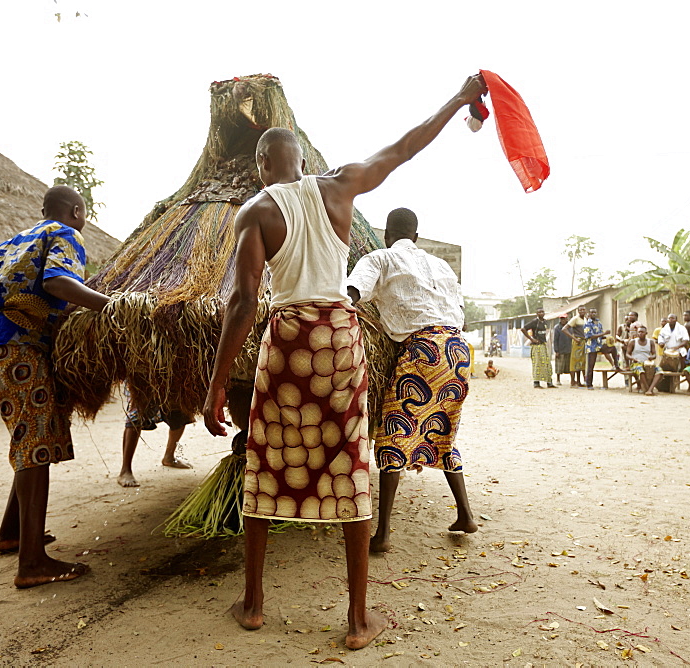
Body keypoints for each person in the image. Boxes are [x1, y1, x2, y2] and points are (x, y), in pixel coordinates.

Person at [202, 74, 488, 647]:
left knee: (265, 459)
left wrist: (213, 390)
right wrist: (457, 100)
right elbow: (406, 147)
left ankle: (254, 602)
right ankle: (358, 618)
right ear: (303, 159)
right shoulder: (339, 188)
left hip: (286, 339)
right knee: (352, 462)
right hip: (337, 336)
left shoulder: (255, 212)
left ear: (261, 165)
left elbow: (242, 303)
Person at [0, 185, 110, 588]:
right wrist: (112, 306)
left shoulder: (8, 244)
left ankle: (11, 533)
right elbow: (58, 284)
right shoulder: (66, 234)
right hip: (17, 347)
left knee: (29, 436)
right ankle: (31, 563)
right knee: (35, 442)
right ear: (77, 211)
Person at [347, 206, 477, 552]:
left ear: (387, 236)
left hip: (423, 350)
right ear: (416, 237)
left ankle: (383, 534)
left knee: (393, 433)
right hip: (458, 351)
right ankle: (465, 515)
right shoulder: (442, 265)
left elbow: (353, 293)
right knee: (443, 430)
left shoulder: (380, 258)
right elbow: (459, 313)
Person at [117, 392, 194, 487]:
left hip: (173, 380)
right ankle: (125, 470)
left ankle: (169, 457)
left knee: (179, 411)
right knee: (137, 412)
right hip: (142, 381)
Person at [581, 307, 620, 388]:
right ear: (589, 314)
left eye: (595, 312)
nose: (593, 314)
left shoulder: (598, 323)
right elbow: (590, 336)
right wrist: (603, 334)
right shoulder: (587, 324)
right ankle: (589, 384)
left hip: (599, 345)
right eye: (592, 312)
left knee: (612, 348)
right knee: (590, 365)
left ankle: (616, 365)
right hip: (591, 346)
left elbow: (600, 335)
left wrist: (607, 337)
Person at [521, 308, 555, 389]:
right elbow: (523, 329)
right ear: (537, 314)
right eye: (539, 312)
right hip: (536, 346)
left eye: (543, 312)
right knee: (537, 364)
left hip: (544, 345)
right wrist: (532, 339)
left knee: (547, 364)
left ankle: (549, 382)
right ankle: (536, 383)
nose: (541, 313)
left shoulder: (545, 322)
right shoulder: (534, 322)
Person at [624, 325, 662, 395]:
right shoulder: (633, 342)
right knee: (640, 370)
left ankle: (650, 389)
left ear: (646, 333)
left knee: (659, 371)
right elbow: (627, 354)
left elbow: (654, 355)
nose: (640, 333)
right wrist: (632, 358)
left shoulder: (650, 342)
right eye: (639, 332)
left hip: (647, 363)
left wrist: (651, 357)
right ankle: (647, 389)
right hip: (636, 363)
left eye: (642, 332)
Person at [565, 305, 588, 388]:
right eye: (580, 310)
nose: (582, 311)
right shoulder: (575, 319)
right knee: (574, 361)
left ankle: (579, 381)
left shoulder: (585, 319)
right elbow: (564, 329)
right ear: (578, 311)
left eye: (583, 310)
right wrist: (574, 338)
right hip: (577, 342)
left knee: (581, 362)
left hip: (584, 342)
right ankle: (572, 381)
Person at [552, 313, 573, 386]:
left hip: (569, 348)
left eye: (564, 318)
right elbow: (555, 340)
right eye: (561, 318)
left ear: (567, 319)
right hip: (560, 349)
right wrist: (556, 351)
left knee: (570, 366)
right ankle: (558, 379)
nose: (563, 320)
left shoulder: (570, 327)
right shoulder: (557, 328)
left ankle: (572, 380)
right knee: (559, 366)